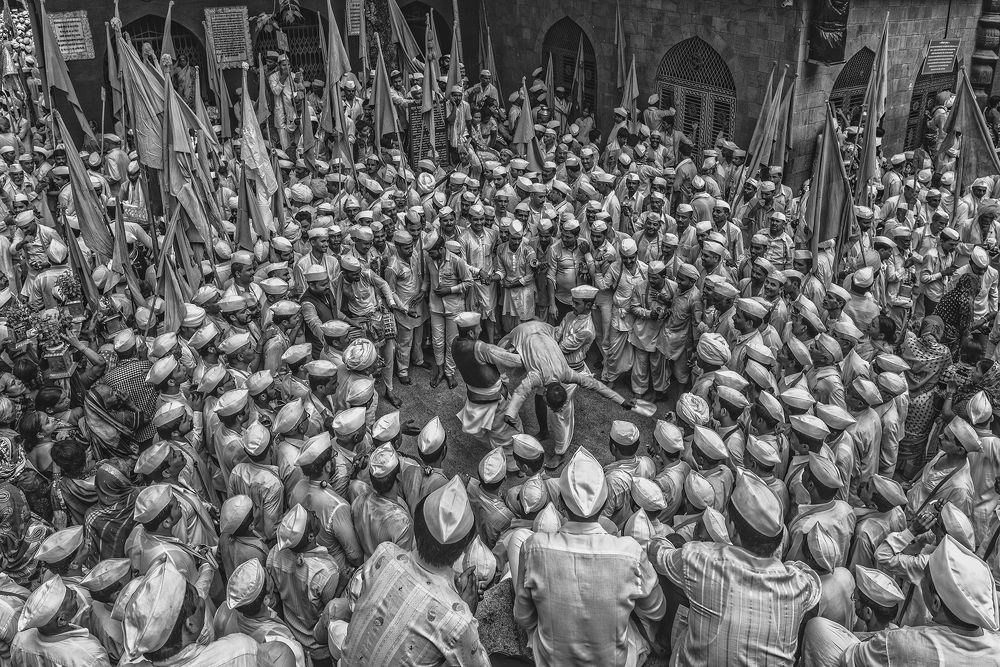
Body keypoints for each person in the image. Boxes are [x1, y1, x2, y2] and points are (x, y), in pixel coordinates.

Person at [514, 448, 665, 666]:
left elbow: (524, 616)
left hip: (551, 659)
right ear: (604, 505)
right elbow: (655, 610)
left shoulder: (533, 547)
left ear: (561, 505)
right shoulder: (630, 552)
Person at [342, 477, 489, 665]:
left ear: (416, 526)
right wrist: (465, 608)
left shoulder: (384, 554)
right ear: (464, 547)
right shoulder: (458, 620)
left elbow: (355, 604)